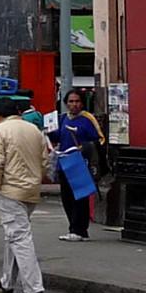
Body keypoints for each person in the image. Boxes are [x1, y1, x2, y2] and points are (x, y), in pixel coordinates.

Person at [0, 98, 50, 293]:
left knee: (19, 237)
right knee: (14, 235)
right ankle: (8, 281)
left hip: (10, 190)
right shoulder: (34, 130)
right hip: (31, 189)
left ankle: (33, 287)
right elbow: (44, 161)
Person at [50, 88, 103, 242]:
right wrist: (49, 131)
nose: (74, 105)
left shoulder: (87, 119)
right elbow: (57, 136)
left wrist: (85, 147)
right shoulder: (62, 119)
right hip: (64, 162)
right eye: (71, 102)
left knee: (80, 198)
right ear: (66, 103)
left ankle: (79, 230)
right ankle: (74, 228)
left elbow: (100, 139)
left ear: (82, 102)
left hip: (80, 164)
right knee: (67, 198)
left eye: (77, 101)